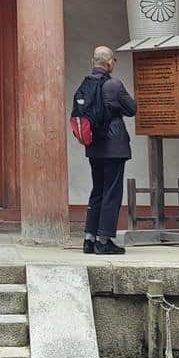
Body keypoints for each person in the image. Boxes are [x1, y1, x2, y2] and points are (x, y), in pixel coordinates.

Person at [77, 45, 136, 256]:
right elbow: (132, 109)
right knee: (112, 192)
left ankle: (89, 239)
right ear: (110, 63)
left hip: (94, 147)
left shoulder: (85, 85)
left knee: (97, 191)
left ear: (93, 62)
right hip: (114, 147)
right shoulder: (114, 85)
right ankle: (104, 240)